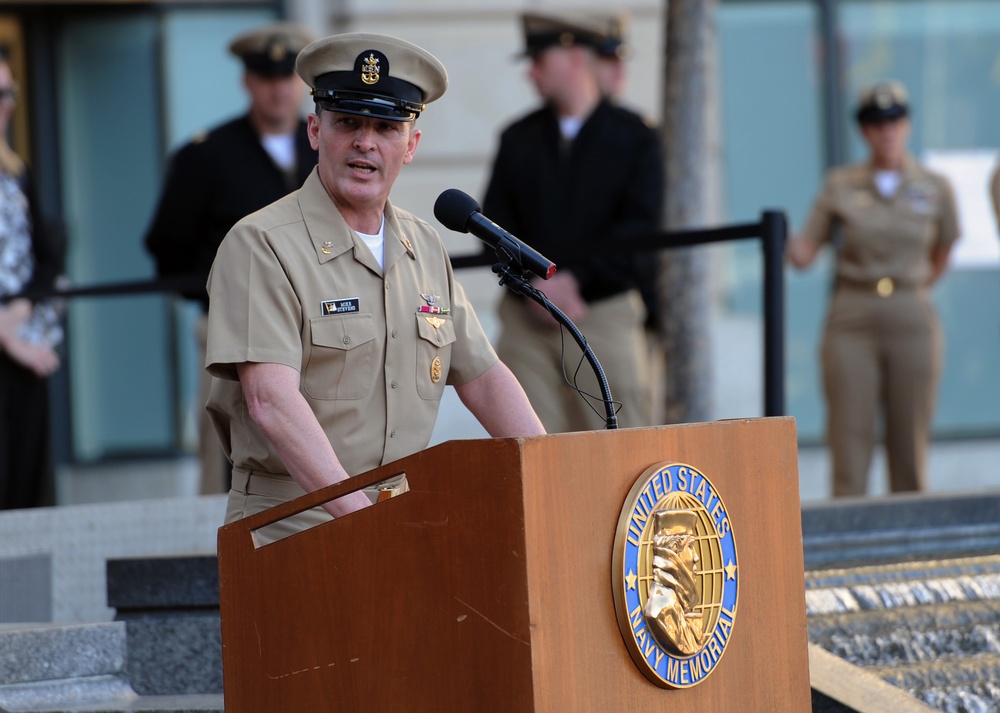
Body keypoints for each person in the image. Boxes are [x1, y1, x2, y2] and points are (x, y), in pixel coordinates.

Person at [205, 32, 546, 543]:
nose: (365, 142)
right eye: (348, 123)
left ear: (410, 146)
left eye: (386, 127)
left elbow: (483, 377)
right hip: (293, 525)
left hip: (398, 523)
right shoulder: (261, 244)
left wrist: (549, 472)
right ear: (316, 130)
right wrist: (364, 520)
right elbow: (270, 401)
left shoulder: (424, 247)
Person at [143, 21, 317, 495]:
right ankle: (220, 558)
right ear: (247, 82)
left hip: (321, 323)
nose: (279, 90)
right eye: (266, 78)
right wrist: (220, 293)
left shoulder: (329, 147)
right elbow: (167, 244)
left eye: (287, 78)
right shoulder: (207, 156)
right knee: (226, 448)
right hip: (232, 327)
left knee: (320, 441)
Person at [482, 11, 665, 433]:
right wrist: (536, 285)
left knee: (620, 446)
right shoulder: (517, 138)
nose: (531, 72)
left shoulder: (636, 138)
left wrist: (574, 281)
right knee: (526, 448)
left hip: (602, 313)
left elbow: (641, 234)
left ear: (574, 58)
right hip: (527, 316)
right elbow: (492, 226)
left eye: (540, 60)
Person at [787, 81, 960, 497]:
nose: (888, 131)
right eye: (877, 123)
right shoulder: (841, 184)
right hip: (854, 311)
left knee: (910, 438)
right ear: (864, 131)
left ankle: (914, 546)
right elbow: (804, 252)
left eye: (895, 120)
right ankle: (847, 545)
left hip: (909, 310)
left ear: (907, 125)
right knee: (849, 438)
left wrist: (912, 285)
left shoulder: (934, 185)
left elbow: (944, 248)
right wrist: (775, 232)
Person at [0, 52, 64, 509]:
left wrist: (15, 317)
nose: (4, 104)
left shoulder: (15, 171)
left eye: (8, 94)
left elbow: (48, 257)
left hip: (21, 349)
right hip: (13, 347)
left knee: (25, 491)